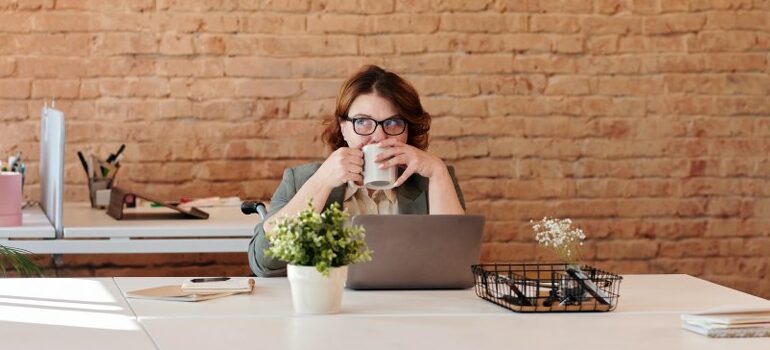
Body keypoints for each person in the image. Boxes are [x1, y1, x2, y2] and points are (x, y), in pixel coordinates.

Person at [248, 65, 465, 277]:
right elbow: (265, 264)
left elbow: (458, 262)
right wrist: (322, 181)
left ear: (408, 130)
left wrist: (437, 171)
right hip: (332, 307)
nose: (379, 136)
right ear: (343, 127)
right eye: (362, 122)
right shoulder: (302, 180)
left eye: (393, 122)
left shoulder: (431, 180)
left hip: (412, 308)